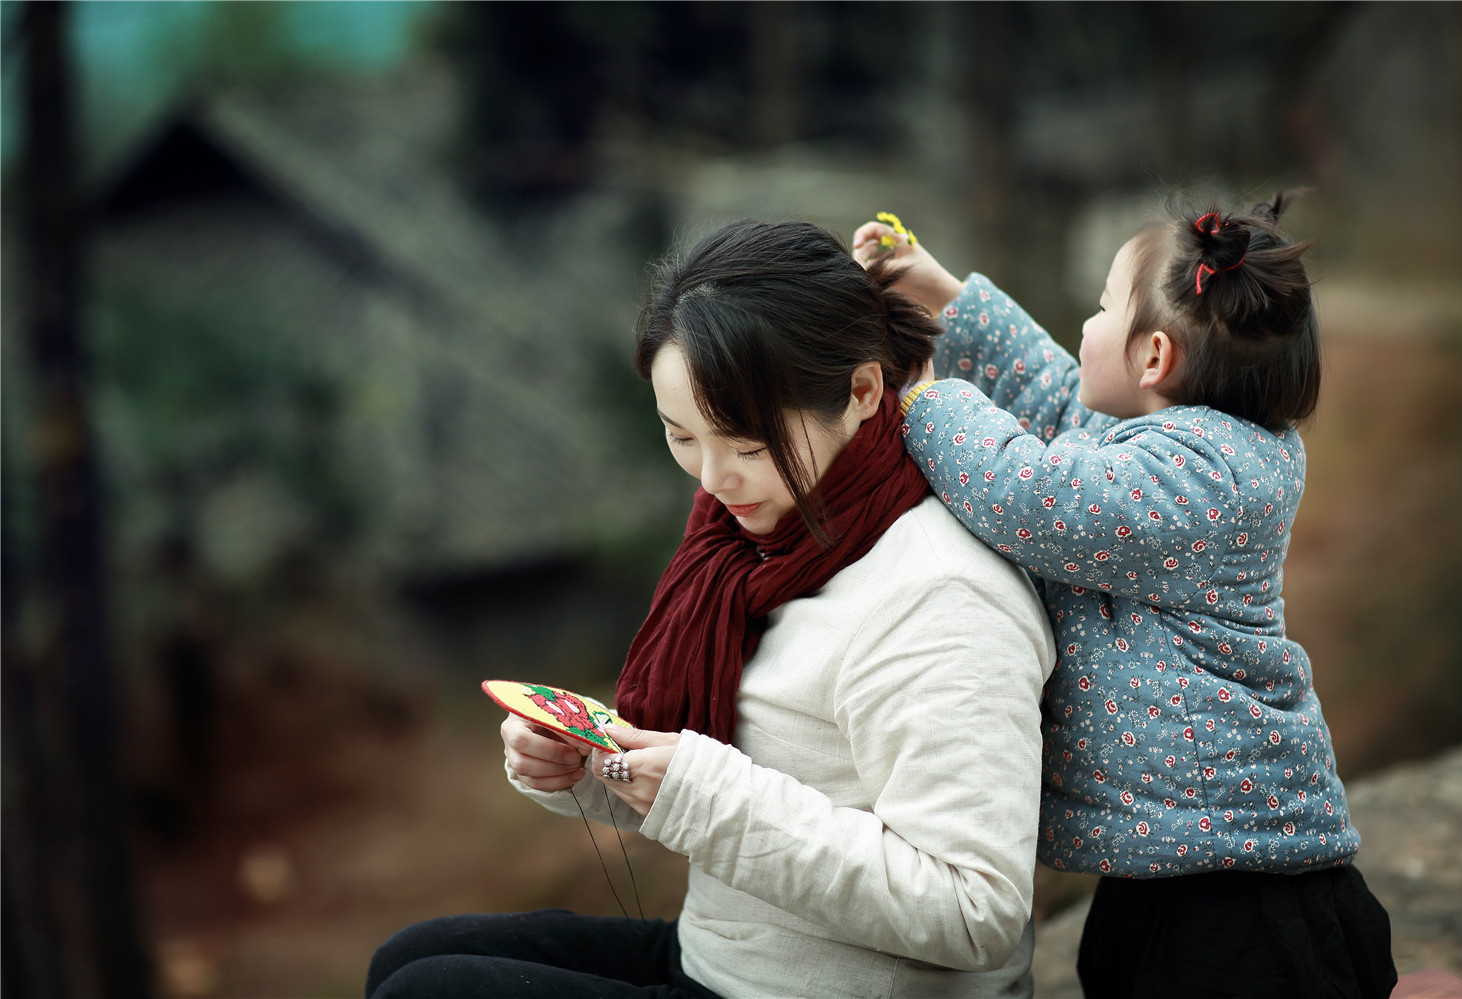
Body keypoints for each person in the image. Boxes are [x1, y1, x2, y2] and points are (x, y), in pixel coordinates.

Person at [364, 220, 1056, 999]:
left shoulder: (939, 596)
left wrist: (702, 794)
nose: (714, 478)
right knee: (408, 958)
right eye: (682, 436)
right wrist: (592, 769)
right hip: (731, 957)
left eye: (747, 445)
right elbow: (751, 772)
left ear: (862, 393)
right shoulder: (752, 551)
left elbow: (976, 911)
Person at [852, 197, 1398, 998]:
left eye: (1103, 307)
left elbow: (1029, 493)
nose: (1085, 323)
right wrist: (942, 295)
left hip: (1241, 888)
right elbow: (1051, 394)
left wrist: (929, 398)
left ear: (1152, 357)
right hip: (1171, 852)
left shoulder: (1202, 480)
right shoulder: (1170, 442)